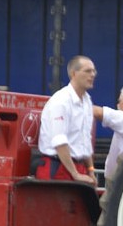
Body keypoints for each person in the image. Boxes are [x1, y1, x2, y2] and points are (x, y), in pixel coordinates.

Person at [35, 55, 98, 185]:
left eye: (93, 71)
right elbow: (59, 141)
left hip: (77, 169)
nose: (92, 75)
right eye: (87, 71)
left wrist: (90, 170)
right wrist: (75, 174)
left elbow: (85, 140)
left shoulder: (87, 101)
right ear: (73, 74)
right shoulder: (61, 101)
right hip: (58, 167)